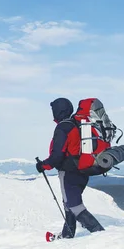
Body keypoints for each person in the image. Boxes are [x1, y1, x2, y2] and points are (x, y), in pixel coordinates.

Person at [36, 97, 105, 239]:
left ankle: (101, 235)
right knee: (69, 205)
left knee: (74, 206)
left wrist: (43, 165)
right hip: (82, 170)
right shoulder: (77, 124)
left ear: (58, 111)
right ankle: (67, 236)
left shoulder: (63, 127)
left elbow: (57, 155)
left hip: (69, 172)